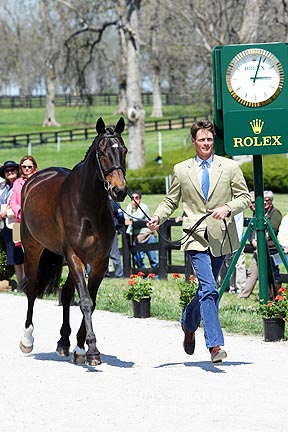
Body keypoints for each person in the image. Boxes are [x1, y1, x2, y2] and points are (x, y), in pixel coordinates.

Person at [147, 119, 250, 363]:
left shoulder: (230, 167)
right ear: (194, 141)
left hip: (221, 237)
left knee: (207, 289)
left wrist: (228, 207)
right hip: (194, 236)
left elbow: (245, 197)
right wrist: (157, 217)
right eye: (202, 139)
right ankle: (215, 345)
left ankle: (187, 322)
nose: (206, 143)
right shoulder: (181, 170)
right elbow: (170, 201)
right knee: (209, 288)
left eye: (210, 139)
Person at [238, 190, 282, 299]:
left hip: (271, 248)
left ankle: (276, 296)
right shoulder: (258, 213)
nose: (265, 202)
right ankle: (244, 295)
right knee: (253, 272)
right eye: (264, 200)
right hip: (259, 248)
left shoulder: (275, 213)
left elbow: (272, 230)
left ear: (271, 201)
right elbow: (252, 230)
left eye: (267, 200)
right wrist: (253, 240)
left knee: (272, 273)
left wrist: (259, 241)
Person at [7, 155, 38, 285]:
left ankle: (36, 281)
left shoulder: (39, 180)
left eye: (29, 166)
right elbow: (12, 202)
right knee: (20, 253)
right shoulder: (17, 182)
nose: (26, 169)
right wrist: (19, 211)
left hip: (36, 221)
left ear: (34, 168)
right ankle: (24, 282)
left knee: (35, 252)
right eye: (24, 166)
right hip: (19, 221)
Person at [0, 160, 22, 285]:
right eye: (7, 171)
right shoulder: (3, 187)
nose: (9, 172)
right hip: (5, 225)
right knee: (12, 255)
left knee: (20, 254)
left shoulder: (20, 185)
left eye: (12, 170)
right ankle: (21, 283)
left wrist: (6, 213)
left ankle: (25, 282)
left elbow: (20, 205)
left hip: (17, 223)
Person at [125, 191, 158, 269]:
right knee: (138, 259)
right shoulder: (130, 207)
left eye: (137, 198)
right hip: (137, 237)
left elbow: (138, 217)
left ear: (140, 199)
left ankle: (157, 277)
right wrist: (130, 209)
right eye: (132, 198)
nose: (135, 200)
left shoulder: (143, 206)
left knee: (153, 259)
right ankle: (144, 276)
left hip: (148, 236)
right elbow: (126, 218)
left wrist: (130, 217)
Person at [107, 196, 124, 278]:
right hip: (104, 232)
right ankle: (106, 274)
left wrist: (117, 227)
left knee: (114, 254)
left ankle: (119, 274)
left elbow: (120, 215)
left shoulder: (113, 201)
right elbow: (120, 216)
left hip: (111, 231)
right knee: (104, 254)